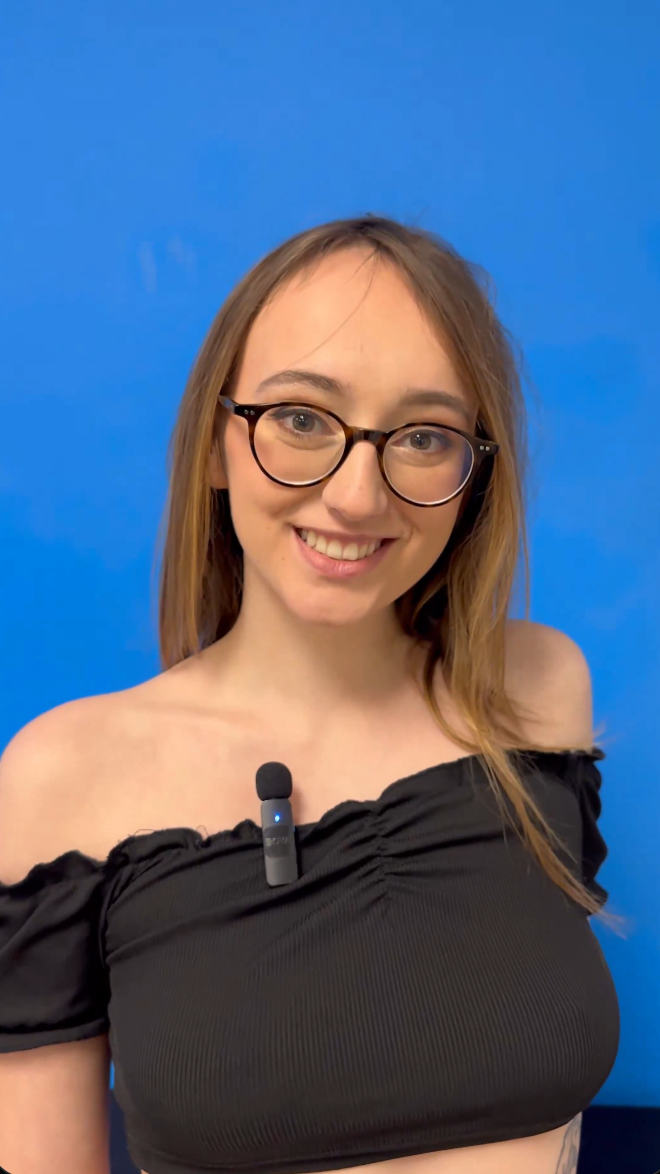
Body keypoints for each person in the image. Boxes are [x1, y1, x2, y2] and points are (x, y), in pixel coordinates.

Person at [0, 215, 624, 1174]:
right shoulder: (61, 777)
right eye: (300, 419)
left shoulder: (537, 692)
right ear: (216, 445)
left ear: (473, 477)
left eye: (424, 436)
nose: (357, 496)